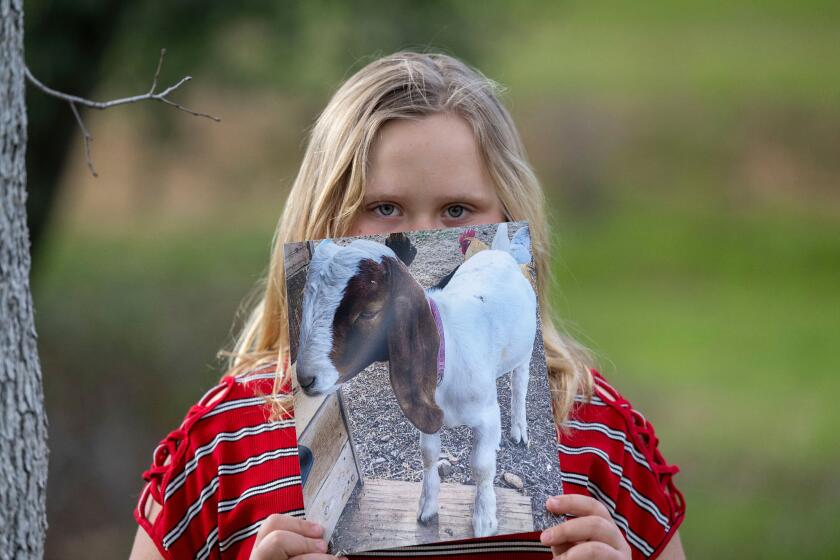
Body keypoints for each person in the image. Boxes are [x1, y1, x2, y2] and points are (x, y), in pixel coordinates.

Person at [129, 50, 686, 560]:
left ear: (510, 217)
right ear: (323, 220)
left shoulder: (596, 432)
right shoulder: (228, 440)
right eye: (386, 207)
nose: (420, 240)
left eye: (458, 210)